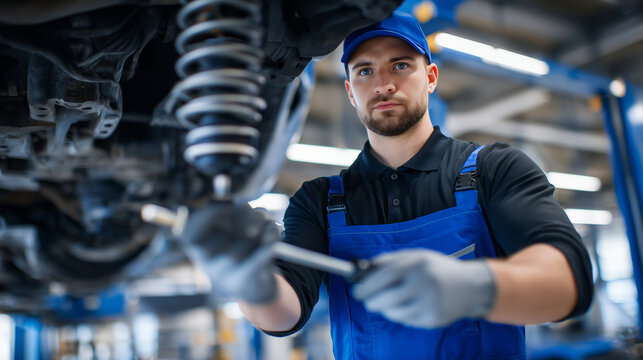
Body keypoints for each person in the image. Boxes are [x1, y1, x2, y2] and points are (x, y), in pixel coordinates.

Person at [183, 10, 593, 360]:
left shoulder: (493, 170)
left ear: (430, 77)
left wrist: (476, 288)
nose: (382, 85)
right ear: (349, 91)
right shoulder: (319, 202)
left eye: (400, 65)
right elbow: (286, 313)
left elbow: (569, 282)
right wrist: (250, 280)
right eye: (364, 71)